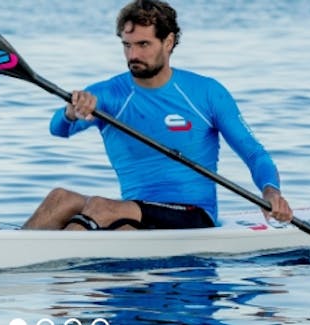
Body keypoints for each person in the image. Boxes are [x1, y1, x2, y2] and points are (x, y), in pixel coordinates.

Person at [23, 0, 292, 230]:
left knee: (102, 209)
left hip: (192, 215)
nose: (133, 55)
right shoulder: (109, 94)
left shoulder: (206, 93)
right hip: (135, 211)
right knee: (61, 198)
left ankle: (45, 265)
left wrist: (271, 192)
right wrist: (71, 112)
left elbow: (254, 154)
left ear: (169, 42)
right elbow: (58, 128)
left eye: (143, 44)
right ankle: (14, 254)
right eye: (127, 45)